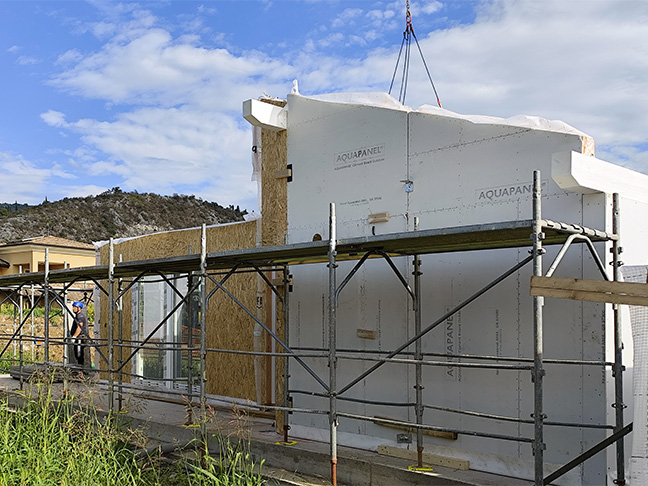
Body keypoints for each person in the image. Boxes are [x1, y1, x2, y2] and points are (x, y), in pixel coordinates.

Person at [70, 301, 88, 367]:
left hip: (80, 338)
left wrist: (74, 336)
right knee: (77, 354)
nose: (73, 309)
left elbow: (79, 327)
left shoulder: (80, 316)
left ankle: (81, 371)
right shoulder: (78, 316)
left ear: (79, 308)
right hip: (78, 338)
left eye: (74, 307)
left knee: (79, 354)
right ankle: (80, 370)